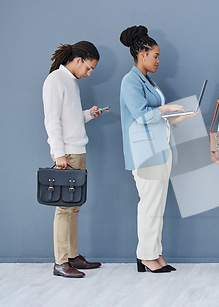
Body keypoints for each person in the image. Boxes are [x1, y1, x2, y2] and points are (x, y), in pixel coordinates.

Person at [120, 25, 196, 273]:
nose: (158, 60)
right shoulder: (130, 81)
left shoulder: (147, 80)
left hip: (159, 151)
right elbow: (141, 116)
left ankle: (154, 253)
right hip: (146, 155)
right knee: (150, 206)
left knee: (157, 207)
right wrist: (166, 109)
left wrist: (178, 118)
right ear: (142, 54)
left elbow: (155, 119)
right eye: (155, 55)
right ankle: (146, 256)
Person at [42, 41, 105, 278]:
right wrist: (59, 154)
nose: (89, 74)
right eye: (89, 68)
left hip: (77, 151)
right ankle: (60, 262)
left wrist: (89, 114)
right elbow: (52, 120)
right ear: (79, 60)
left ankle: (72, 255)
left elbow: (69, 118)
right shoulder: (55, 81)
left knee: (74, 207)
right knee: (64, 209)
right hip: (66, 153)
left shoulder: (70, 82)